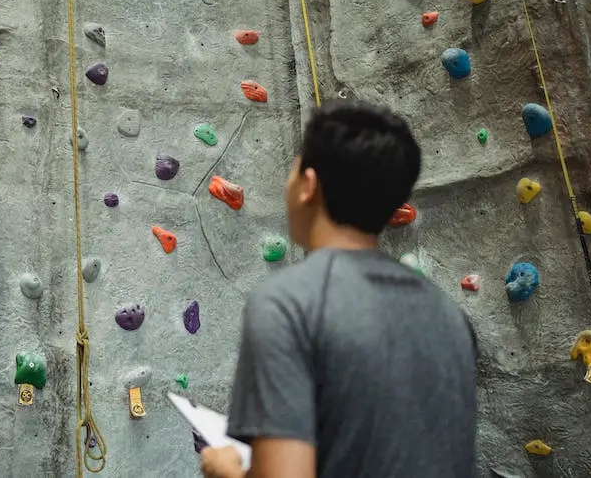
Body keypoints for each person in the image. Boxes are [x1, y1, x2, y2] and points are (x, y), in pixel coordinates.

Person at [200, 100, 478, 478]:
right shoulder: (450, 316)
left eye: (294, 169)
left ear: (308, 186)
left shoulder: (289, 305)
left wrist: (225, 470)